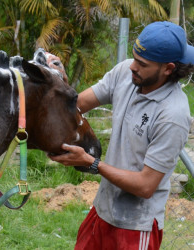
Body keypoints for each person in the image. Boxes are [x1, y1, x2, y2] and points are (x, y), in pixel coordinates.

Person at [49, 21, 194, 249]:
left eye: (142, 64)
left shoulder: (173, 114)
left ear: (168, 68)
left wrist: (92, 163)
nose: (132, 67)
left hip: (137, 226)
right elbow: (77, 106)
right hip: (103, 210)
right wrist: (58, 81)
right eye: (134, 58)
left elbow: (146, 186)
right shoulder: (125, 74)